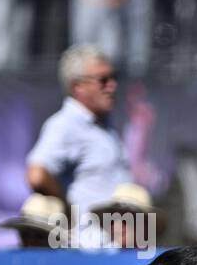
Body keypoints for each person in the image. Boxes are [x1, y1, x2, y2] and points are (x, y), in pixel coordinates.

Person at [25, 44, 131, 212]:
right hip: (87, 237)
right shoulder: (66, 124)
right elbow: (37, 175)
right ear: (77, 86)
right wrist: (67, 210)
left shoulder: (102, 124)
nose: (112, 86)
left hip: (115, 236)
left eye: (114, 78)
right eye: (103, 80)